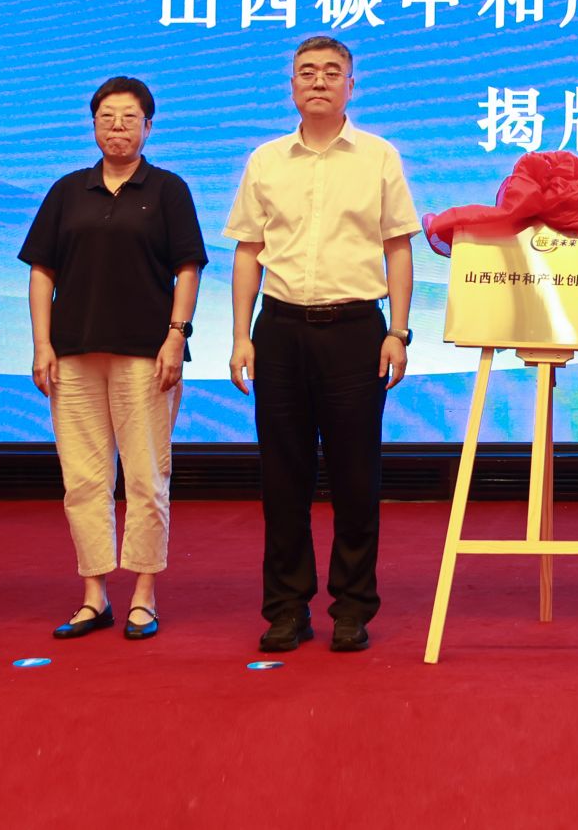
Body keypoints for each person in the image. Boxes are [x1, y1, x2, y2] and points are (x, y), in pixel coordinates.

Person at [225, 36, 417, 654]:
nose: (318, 81)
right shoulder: (266, 161)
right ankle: (286, 608)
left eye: (332, 72)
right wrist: (240, 335)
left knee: (356, 477)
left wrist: (397, 331)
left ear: (350, 86)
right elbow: (248, 251)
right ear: (291, 86)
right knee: (284, 478)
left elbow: (397, 247)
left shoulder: (379, 157)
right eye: (306, 72)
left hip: (357, 330)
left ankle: (352, 607)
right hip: (279, 331)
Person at [22, 76, 204, 642]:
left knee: (147, 477)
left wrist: (176, 337)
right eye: (106, 117)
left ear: (148, 127)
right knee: (83, 479)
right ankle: (94, 595)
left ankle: (144, 594)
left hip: (146, 355)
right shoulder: (67, 190)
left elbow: (188, 268)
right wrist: (41, 343)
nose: (117, 126)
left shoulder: (167, 189)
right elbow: (42, 271)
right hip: (73, 353)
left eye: (129, 117)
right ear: (93, 125)